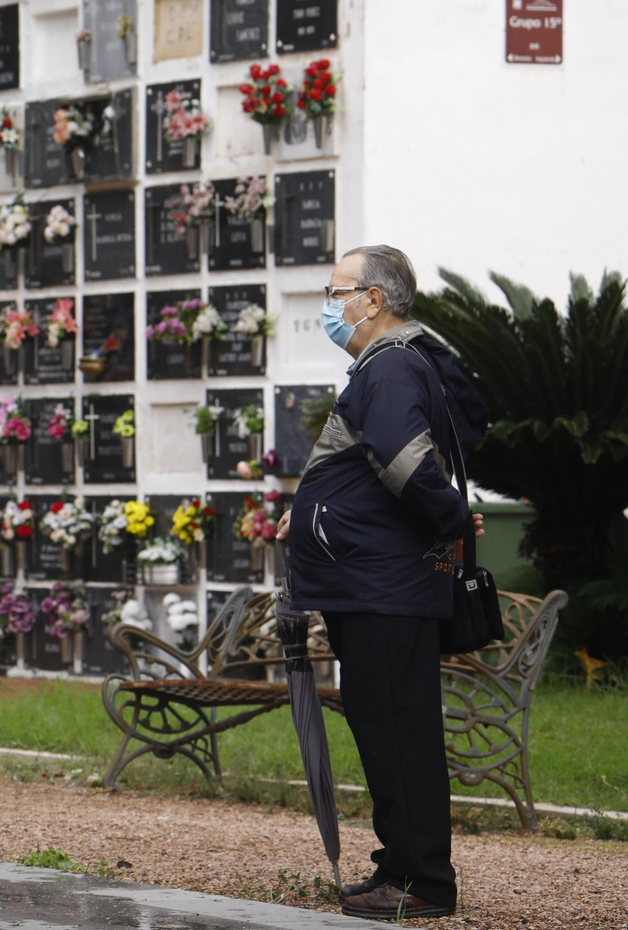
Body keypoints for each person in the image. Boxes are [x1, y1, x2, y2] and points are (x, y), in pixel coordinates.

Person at [275, 245, 488, 921]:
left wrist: (454, 520)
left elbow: (405, 463)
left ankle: (423, 882)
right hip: (373, 582)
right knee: (389, 729)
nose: (329, 306)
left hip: (382, 586)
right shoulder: (386, 366)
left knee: (400, 733)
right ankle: (400, 867)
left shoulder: (390, 367)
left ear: (374, 299)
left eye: (338, 292)